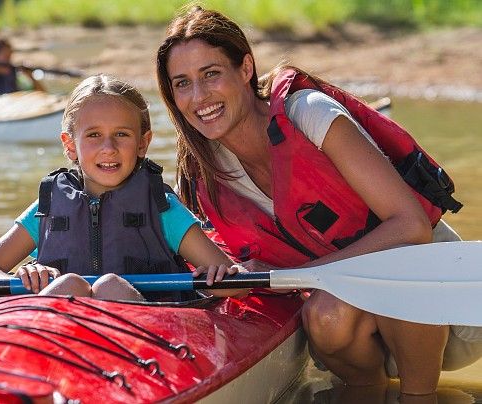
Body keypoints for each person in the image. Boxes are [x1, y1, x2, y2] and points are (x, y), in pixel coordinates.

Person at [155, 6, 481, 397]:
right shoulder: (203, 169)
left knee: (391, 282)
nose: (199, 96)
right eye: (182, 83)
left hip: (447, 312)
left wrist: (303, 274)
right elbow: (233, 259)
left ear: (245, 69)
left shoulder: (307, 113)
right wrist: (237, 277)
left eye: (211, 74)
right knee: (323, 314)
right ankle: (366, 392)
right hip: (356, 320)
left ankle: (420, 396)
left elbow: (410, 226)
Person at [0, 74, 245, 301]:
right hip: (57, 333)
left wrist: (217, 278)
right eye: (94, 135)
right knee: (69, 285)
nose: (108, 149)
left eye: (121, 134)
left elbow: (236, 284)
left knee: (111, 286)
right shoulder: (47, 208)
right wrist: (21, 280)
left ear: (142, 144)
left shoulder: (162, 208)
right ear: (70, 145)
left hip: (146, 340)